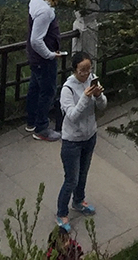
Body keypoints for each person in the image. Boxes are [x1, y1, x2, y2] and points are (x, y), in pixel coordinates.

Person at [55, 55, 107, 231]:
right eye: (82, 70)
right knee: (71, 178)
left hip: (89, 135)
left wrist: (98, 96)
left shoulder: (92, 80)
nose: (86, 74)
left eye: (88, 69)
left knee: (83, 173)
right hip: (72, 140)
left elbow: (102, 106)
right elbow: (72, 116)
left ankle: (78, 201)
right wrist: (85, 97)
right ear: (74, 70)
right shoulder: (67, 89)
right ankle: (61, 213)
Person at [26, 0, 64, 141]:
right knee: (47, 91)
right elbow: (36, 40)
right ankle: (42, 129)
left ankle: (31, 121)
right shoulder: (45, 11)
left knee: (35, 88)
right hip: (43, 57)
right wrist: (49, 55)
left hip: (34, 57)